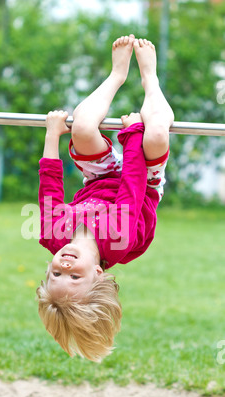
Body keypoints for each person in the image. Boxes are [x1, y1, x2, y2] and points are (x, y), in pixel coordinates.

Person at [36, 35, 174, 362]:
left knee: (82, 128)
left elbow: (50, 186)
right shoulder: (117, 241)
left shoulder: (52, 235)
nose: (64, 266)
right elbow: (134, 187)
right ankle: (150, 79)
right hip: (143, 187)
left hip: (99, 179)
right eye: (74, 276)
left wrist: (52, 135)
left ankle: (117, 75)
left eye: (56, 275)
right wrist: (132, 137)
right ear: (97, 273)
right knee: (155, 135)